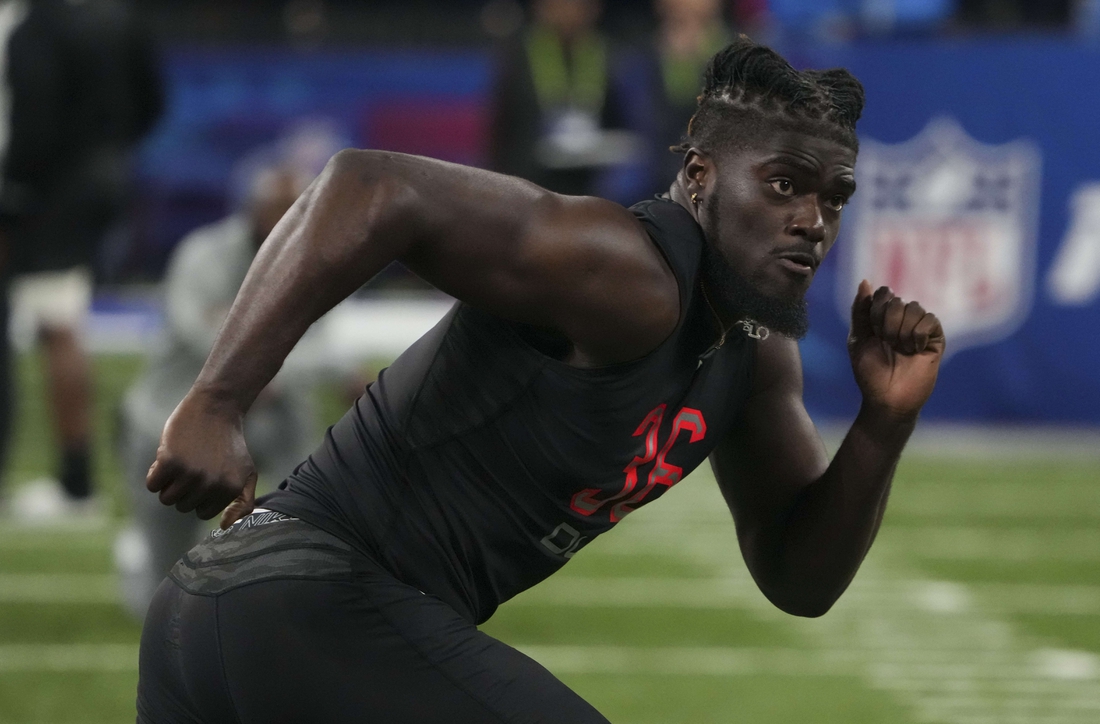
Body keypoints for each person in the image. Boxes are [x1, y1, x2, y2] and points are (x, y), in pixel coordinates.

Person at [137, 37, 945, 723]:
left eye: (833, 199)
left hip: (225, 622)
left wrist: (883, 424)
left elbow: (799, 580)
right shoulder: (630, 272)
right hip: (298, 601)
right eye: (783, 184)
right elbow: (369, 184)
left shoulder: (755, 355)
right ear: (699, 177)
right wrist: (216, 399)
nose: (813, 220)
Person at [113, 161, 317, 619]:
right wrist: (265, 362)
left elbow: (325, 346)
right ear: (253, 209)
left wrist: (259, 357)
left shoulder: (314, 261)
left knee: (296, 528)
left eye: (299, 210)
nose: (290, 220)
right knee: (160, 583)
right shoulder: (203, 253)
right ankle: (142, 568)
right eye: (281, 209)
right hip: (172, 418)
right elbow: (196, 331)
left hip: (269, 422)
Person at [1, 0, 163, 520]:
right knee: (60, 316)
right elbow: (153, 101)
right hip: (102, 178)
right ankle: (76, 480)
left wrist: (18, 186)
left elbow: (33, 113)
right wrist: (109, 152)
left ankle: (76, 481)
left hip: (47, 193)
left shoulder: (36, 25)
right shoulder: (119, 16)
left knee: (56, 320)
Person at [488, 0, 634, 197]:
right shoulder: (517, 54)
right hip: (528, 181)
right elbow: (501, 125)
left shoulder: (610, 54)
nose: (568, 12)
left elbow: (624, 121)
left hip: (590, 181)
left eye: (577, 5)